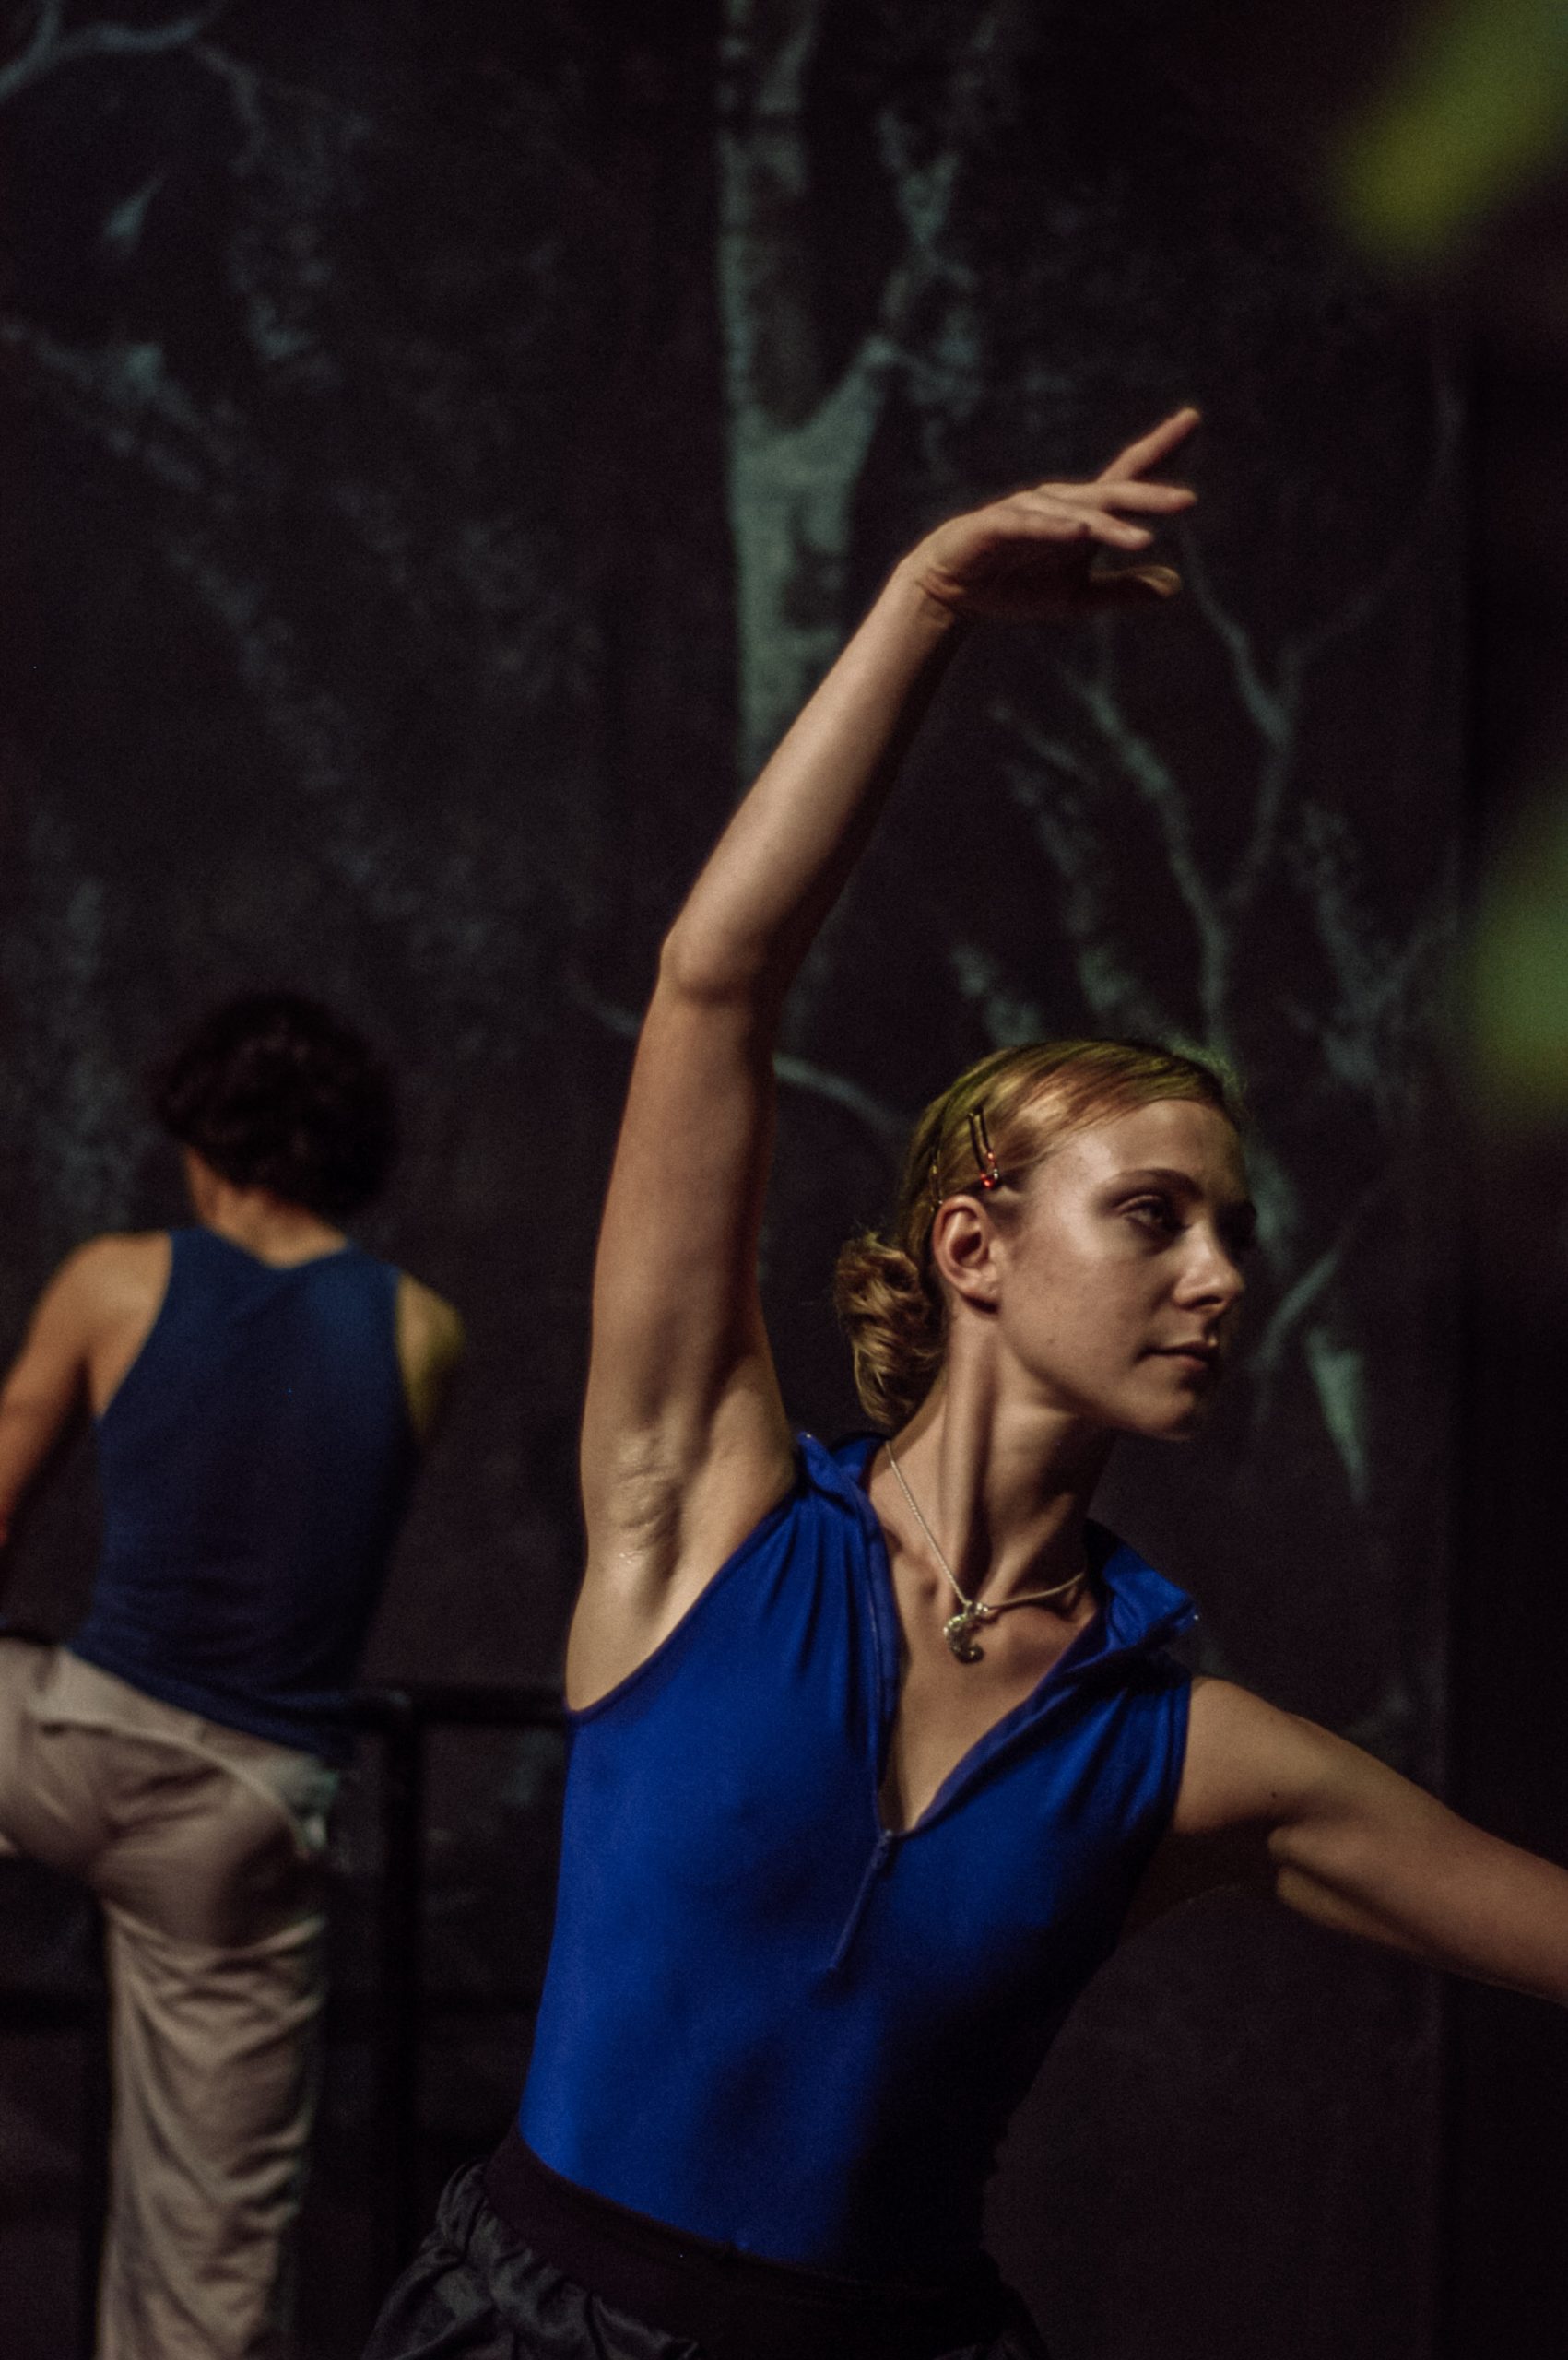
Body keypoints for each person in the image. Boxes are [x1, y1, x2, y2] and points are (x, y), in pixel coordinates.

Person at [364, 409, 1568, 2360]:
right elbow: (711, 986)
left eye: (1233, 1231)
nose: (1218, 1274)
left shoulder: (1187, 1749)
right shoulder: (701, 1521)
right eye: (1156, 1213)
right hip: (531, 2323)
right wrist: (927, 597)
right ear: (971, 1245)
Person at [0, 992, 464, 2360]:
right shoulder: (420, 1328)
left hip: (70, 1749)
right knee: (211, 2260)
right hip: (243, 1810)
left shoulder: (116, 1278)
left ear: (203, 1138)